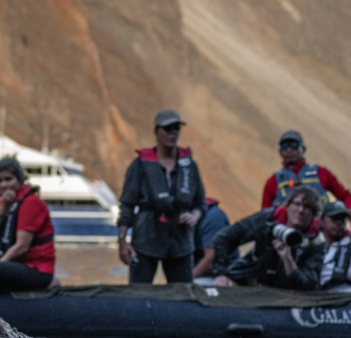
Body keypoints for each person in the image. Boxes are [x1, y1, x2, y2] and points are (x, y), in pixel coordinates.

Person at [117, 110, 207, 284]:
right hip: (145, 242)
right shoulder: (139, 166)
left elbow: (200, 203)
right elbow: (127, 206)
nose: (172, 133)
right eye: (167, 128)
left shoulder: (190, 166)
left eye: (176, 128)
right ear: (157, 131)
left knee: (184, 297)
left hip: (180, 244)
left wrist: (193, 216)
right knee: (139, 295)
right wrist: (122, 242)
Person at [212, 185, 326, 290]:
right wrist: (221, 274)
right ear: (287, 205)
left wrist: (288, 259)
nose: (301, 210)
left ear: (314, 213)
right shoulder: (268, 219)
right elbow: (223, 238)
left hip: (289, 295)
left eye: (307, 207)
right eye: (297, 204)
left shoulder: (316, 241)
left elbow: (308, 284)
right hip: (250, 282)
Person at [0, 158, 58, 292]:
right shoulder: (3, 202)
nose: (4, 184)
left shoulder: (31, 202)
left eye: (8, 179)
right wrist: (3, 208)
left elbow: (22, 246)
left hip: (37, 269)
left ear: (20, 179)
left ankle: (51, 284)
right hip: (17, 264)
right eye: (0, 180)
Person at [261, 130, 351, 222]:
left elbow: (345, 196)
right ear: (280, 151)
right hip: (286, 232)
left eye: (294, 145)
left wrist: (349, 210)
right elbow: (264, 214)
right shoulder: (273, 181)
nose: (289, 150)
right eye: (284, 146)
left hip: (320, 230)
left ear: (303, 149)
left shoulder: (321, 173)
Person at [192, 197, 237, 285]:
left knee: (186, 289)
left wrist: (186, 280)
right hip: (204, 274)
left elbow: (210, 259)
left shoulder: (213, 217)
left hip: (223, 277)